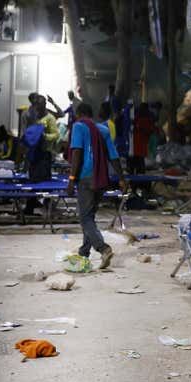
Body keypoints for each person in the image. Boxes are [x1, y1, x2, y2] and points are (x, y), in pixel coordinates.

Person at [66, 103, 127, 270]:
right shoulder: (104, 130)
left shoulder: (79, 126)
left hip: (85, 178)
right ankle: (84, 252)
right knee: (90, 218)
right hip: (101, 179)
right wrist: (122, 178)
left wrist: (71, 179)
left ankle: (103, 248)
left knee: (85, 218)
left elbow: (77, 153)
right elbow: (113, 156)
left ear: (79, 114)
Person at [129, 103, 153, 174]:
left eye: (143, 108)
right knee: (136, 163)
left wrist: (140, 129)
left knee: (140, 164)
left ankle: (140, 181)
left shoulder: (147, 120)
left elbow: (149, 131)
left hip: (140, 145)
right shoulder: (136, 119)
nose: (141, 110)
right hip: (136, 146)